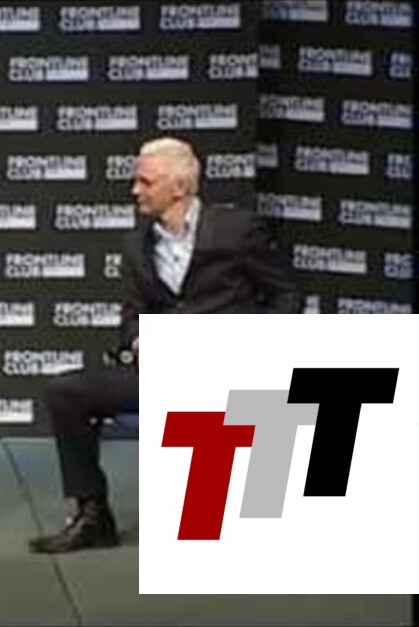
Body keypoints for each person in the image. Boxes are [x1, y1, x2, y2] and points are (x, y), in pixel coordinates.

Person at [28, 137, 302, 554]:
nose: (135, 190)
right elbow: (131, 316)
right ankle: (93, 516)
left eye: (145, 181)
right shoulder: (136, 245)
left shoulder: (236, 231)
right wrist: (140, 342)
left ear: (179, 187)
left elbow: (286, 294)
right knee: (66, 391)